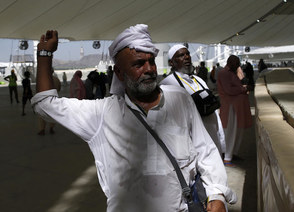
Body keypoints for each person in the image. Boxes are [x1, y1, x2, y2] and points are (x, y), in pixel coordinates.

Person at [31, 25, 236, 212]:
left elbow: (205, 149)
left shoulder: (179, 99)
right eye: (139, 64)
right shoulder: (102, 113)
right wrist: (44, 55)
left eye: (151, 62)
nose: (149, 70)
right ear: (119, 73)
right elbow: (45, 104)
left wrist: (217, 194)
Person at [161, 44, 225, 155]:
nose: (187, 57)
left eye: (188, 54)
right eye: (181, 55)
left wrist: (222, 140)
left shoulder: (198, 80)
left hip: (212, 134)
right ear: (171, 62)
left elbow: (213, 112)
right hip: (191, 141)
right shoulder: (167, 84)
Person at [217, 55, 252, 167]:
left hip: (237, 107)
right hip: (230, 108)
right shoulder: (224, 73)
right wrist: (244, 89)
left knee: (238, 130)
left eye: (238, 63)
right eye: (236, 63)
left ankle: (233, 153)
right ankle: (227, 157)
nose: (238, 65)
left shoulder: (232, 73)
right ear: (230, 63)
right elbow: (229, 90)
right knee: (230, 132)